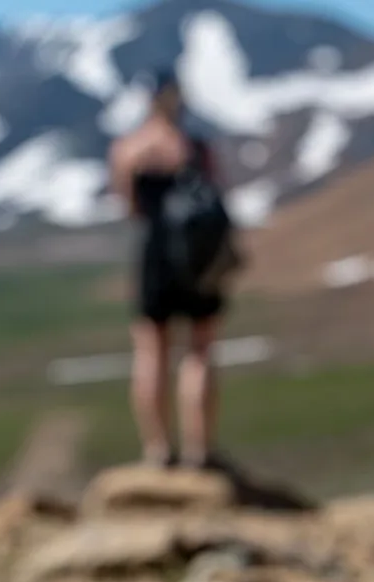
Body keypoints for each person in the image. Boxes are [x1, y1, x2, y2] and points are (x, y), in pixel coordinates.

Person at [108, 69, 235, 471]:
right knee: (199, 349)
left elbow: (129, 207)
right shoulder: (196, 148)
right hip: (197, 257)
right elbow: (216, 194)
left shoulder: (130, 149)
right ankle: (200, 450)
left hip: (153, 254)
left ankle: (159, 449)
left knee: (152, 350)